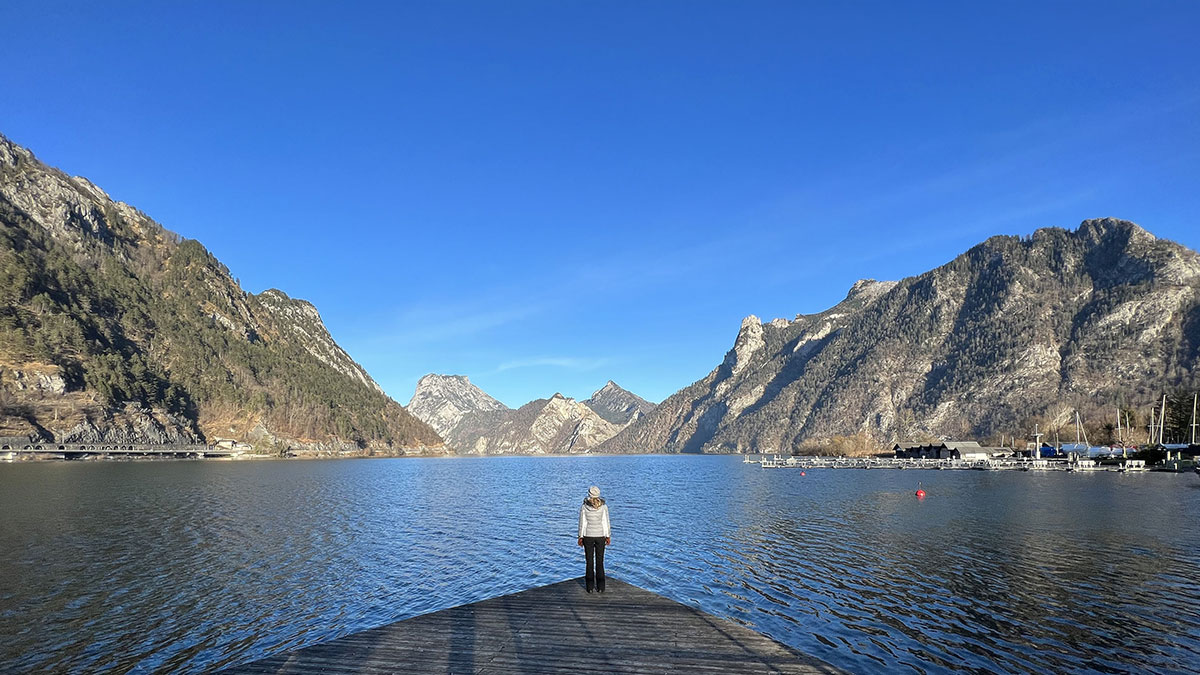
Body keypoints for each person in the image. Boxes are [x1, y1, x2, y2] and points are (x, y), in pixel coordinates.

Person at [577, 485, 611, 593]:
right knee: (600, 562)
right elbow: (605, 522)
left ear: (589, 494)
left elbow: (582, 523)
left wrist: (580, 536)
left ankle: (590, 587)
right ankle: (601, 587)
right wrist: (608, 535)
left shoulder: (584, 507)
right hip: (600, 536)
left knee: (589, 562)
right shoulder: (604, 507)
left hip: (588, 536)